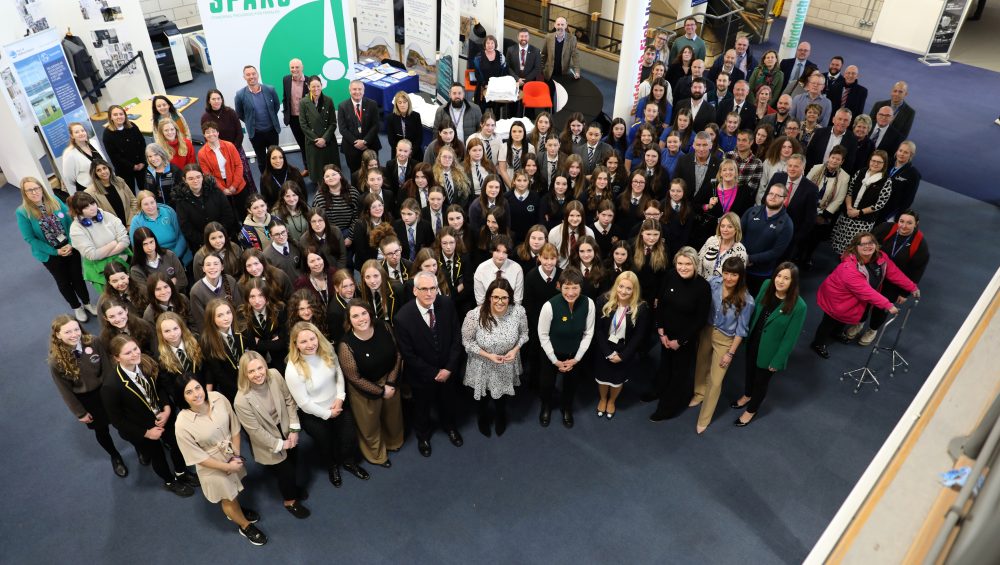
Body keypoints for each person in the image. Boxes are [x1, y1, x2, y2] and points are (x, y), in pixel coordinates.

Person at [173, 372, 268, 545]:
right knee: (228, 497)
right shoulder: (181, 424)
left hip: (232, 454)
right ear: (182, 397)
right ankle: (245, 526)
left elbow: (234, 427)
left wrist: (236, 455)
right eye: (189, 392)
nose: (196, 394)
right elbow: (196, 457)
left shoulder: (217, 397)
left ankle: (237, 510)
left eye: (197, 387)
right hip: (211, 464)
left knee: (234, 490)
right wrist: (227, 467)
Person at [102, 334, 197, 497]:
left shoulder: (146, 363)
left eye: (135, 349)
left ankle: (182, 472)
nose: (135, 354)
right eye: (127, 353)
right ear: (117, 358)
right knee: (157, 455)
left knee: (176, 444)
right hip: (140, 428)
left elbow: (159, 387)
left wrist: (166, 408)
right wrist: (147, 433)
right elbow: (117, 421)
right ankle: (169, 481)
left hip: (162, 416)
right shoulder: (111, 386)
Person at [284, 322, 370, 486]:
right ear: (295, 344)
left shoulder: (327, 349)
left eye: (312, 338)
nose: (310, 344)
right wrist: (328, 414)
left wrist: (340, 397)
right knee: (326, 443)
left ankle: (349, 462)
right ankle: (332, 466)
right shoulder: (292, 369)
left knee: (349, 436)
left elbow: (338, 372)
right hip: (314, 414)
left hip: (337, 404)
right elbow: (304, 403)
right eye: (303, 342)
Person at [811, 232, 918, 358]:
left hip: (854, 300)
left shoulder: (881, 257)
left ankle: (836, 333)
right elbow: (866, 291)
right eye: (863, 244)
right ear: (855, 247)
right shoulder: (849, 268)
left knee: (844, 319)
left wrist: (911, 286)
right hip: (838, 299)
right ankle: (818, 343)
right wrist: (888, 305)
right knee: (829, 322)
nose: (867, 246)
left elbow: (894, 273)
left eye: (870, 243)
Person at [48, 315, 128, 477]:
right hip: (87, 399)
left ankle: (140, 447)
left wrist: (114, 392)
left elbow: (107, 368)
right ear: (57, 335)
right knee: (101, 431)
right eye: (67, 332)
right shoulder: (55, 361)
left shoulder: (93, 341)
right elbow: (65, 391)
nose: (74, 334)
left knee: (123, 422)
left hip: (106, 390)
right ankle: (115, 456)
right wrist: (80, 412)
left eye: (76, 329)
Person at [394, 274, 465, 457]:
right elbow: (408, 355)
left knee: (448, 402)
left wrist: (448, 368)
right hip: (421, 376)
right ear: (415, 291)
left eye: (432, 288)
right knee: (422, 408)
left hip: (448, 371)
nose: (429, 293)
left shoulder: (447, 305)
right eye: (424, 289)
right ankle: (423, 437)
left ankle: (450, 428)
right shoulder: (403, 317)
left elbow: (457, 338)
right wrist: (434, 373)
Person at [233, 350, 310, 519]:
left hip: (286, 428)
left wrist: (294, 429)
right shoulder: (241, 400)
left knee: (293, 461)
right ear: (244, 374)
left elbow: (289, 400)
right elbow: (255, 432)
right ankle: (289, 501)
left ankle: (291, 487)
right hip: (267, 439)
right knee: (286, 471)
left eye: (260, 368)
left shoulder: (274, 375)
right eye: (251, 371)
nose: (258, 374)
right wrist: (281, 444)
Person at [730, 262, 807, 426]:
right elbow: (754, 311)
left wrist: (778, 360)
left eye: (786, 278)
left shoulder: (799, 306)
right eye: (778, 276)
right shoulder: (766, 285)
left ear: (793, 282)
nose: (780, 281)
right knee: (749, 372)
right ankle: (747, 395)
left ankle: (751, 410)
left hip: (771, 351)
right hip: (753, 341)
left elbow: (790, 338)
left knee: (761, 382)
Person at [17, 178, 97, 322]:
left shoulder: (54, 200)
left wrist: (71, 243)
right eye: (30, 190)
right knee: (63, 282)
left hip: (69, 246)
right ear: (24, 193)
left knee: (77, 277)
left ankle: (87, 303)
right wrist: (56, 252)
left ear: (42, 188)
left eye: (37, 188)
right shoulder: (23, 212)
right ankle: (77, 307)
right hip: (50, 254)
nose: (34, 192)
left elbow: (70, 220)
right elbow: (30, 239)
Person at [690, 257, 753, 433]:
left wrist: (730, 353)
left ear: (741, 276)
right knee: (701, 364)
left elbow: (741, 331)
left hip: (726, 339)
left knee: (716, 380)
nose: (729, 278)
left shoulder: (747, 300)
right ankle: (699, 393)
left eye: (734, 274)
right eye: (726, 273)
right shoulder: (713, 282)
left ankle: (704, 418)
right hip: (707, 330)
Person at [337, 298, 403, 465]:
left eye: (364, 313)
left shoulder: (384, 326)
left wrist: (391, 383)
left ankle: (393, 442)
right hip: (364, 390)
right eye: (355, 316)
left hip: (389, 381)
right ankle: (377, 456)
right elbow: (354, 378)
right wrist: (381, 391)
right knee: (370, 426)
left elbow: (397, 354)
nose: (361, 319)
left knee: (392, 418)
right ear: (349, 320)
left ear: (370, 313)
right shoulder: (346, 345)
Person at [647, 247, 711, 419]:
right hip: (665, 335)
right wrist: (661, 331)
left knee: (679, 373)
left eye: (688, 264)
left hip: (684, 340)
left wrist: (680, 341)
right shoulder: (670, 276)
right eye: (680, 263)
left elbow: (700, 320)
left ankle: (668, 408)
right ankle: (658, 391)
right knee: (664, 365)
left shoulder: (703, 287)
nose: (683, 267)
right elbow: (659, 303)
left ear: (695, 264)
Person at [462, 277, 528, 437]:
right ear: (489, 297)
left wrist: (515, 350)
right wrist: (488, 355)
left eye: (504, 297)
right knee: (482, 398)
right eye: (496, 297)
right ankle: (482, 418)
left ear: (509, 298)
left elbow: (524, 334)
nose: (500, 301)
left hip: (506, 363)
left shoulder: (518, 312)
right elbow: (467, 342)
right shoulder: (474, 315)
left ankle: (500, 417)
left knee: (502, 396)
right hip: (482, 364)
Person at [537, 268, 595, 428]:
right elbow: (543, 335)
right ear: (559, 286)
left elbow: (588, 333)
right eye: (566, 287)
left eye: (575, 287)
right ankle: (546, 406)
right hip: (551, 354)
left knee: (571, 385)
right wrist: (555, 361)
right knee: (546, 384)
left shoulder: (589, 304)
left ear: (581, 288)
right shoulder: (549, 306)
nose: (571, 292)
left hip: (574, 355)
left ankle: (566, 408)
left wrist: (576, 359)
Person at [862, 211, 929, 345]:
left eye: (909, 223)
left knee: (881, 307)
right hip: (873, 273)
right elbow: (866, 242)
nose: (904, 226)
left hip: (895, 282)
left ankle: (872, 329)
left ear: (916, 224)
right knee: (864, 300)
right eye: (901, 221)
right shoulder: (886, 228)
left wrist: (905, 292)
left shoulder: (919, 243)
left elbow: (917, 270)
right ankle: (859, 322)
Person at [592, 271, 650, 419]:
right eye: (621, 286)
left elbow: (638, 336)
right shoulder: (602, 300)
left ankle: (612, 401)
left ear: (634, 290)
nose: (623, 291)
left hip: (625, 350)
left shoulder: (641, 308)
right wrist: (607, 353)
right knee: (603, 378)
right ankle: (603, 399)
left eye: (628, 288)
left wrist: (623, 356)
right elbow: (597, 330)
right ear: (616, 286)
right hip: (604, 348)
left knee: (617, 381)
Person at [830, 150, 893, 254]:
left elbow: (879, 204)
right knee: (839, 244)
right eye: (873, 160)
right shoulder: (861, 172)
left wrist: (859, 212)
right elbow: (849, 191)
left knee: (853, 249)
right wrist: (849, 208)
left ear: (884, 164)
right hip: (848, 215)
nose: (875, 164)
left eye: (879, 162)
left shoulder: (886, 181)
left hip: (863, 221)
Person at [67, 192, 130, 295]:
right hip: (99, 270)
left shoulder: (106, 215)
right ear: (78, 211)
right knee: (113, 300)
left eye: (93, 203)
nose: (92, 208)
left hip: (121, 261)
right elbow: (92, 255)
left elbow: (125, 240)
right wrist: (113, 243)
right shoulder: (76, 229)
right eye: (86, 207)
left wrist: (102, 253)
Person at [801, 147, 851, 267]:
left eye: (838, 159)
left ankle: (808, 257)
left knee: (815, 237)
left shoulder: (844, 177)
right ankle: (798, 254)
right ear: (829, 157)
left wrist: (824, 214)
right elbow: (804, 185)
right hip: (807, 207)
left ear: (842, 162)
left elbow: (839, 199)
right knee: (803, 233)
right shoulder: (817, 168)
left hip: (824, 211)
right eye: (833, 157)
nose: (834, 161)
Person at [741, 184, 794, 296]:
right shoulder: (752, 212)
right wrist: (742, 254)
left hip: (761, 274)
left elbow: (776, 252)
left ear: (784, 199)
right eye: (770, 193)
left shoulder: (787, 224)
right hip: (740, 267)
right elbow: (738, 234)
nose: (772, 197)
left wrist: (750, 258)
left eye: (777, 195)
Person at [202, 89, 257, 192]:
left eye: (219, 98)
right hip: (217, 151)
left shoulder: (230, 112)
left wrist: (232, 149)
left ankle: (252, 195)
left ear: (222, 99)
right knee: (224, 175)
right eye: (213, 99)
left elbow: (239, 133)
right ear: (209, 101)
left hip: (235, 148)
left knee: (244, 173)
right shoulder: (205, 117)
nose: (216, 101)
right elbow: (207, 137)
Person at [174, 166, 239, 252]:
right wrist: (206, 240)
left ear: (203, 176)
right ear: (185, 180)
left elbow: (228, 215)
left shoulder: (216, 191)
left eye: (198, 177)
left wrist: (219, 236)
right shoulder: (181, 200)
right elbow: (186, 227)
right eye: (190, 178)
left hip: (224, 238)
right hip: (201, 245)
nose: (195, 181)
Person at [234, 65, 281, 174]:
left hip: (272, 131)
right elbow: (240, 113)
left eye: (253, 74)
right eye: (248, 74)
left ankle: (278, 178)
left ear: (257, 74)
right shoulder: (240, 95)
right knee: (262, 161)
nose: (251, 77)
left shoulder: (270, 89)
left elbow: (276, 106)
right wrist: (251, 122)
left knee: (275, 157)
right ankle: (266, 181)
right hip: (256, 134)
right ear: (244, 77)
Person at [198, 122, 249, 217]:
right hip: (219, 187)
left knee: (245, 212)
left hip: (237, 183)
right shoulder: (201, 153)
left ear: (218, 133)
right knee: (228, 215)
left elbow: (239, 166)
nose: (211, 134)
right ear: (204, 135)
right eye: (207, 132)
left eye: (213, 131)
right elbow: (208, 175)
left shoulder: (229, 146)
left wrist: (234, 185)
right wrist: (222, 189)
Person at [129, 190, 191, 267]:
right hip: (155, 261)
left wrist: (174, 256)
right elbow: (137, 246)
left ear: (156, 201)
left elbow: (181, 235)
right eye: (146, 204)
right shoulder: (137, 221)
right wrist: (159, 260)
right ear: (140, 206)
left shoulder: (168, 211)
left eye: (152, 202)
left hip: (179, 255)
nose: (150, 207)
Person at [299, 76, 341, 186]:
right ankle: (321, 188)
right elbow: (303, 125)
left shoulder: (329, 100)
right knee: (318, 170)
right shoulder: (303, 102)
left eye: (318, 86)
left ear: (321, 86)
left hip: (328, 140)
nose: (316, 89)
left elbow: (333, 123)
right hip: (313, 142)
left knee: (332, 169)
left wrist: (324, 139)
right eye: (313, 86)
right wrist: (316, 139)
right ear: (308, 87)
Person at [190, 252, 243, 333]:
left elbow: (239, 308)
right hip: (213, 333)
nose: (212, 267)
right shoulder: (196, 291)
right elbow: (201, 321)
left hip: (234, 328)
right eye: (208, 265)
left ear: (222, 267)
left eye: (216, 264)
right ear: (203, 268)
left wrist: (240, 330)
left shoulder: (229, 280)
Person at [102, 105, 147, 192]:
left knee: (146, 189)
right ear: (110, 117)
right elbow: (114, 156)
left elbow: (142, 144)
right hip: (124, 170)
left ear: (125, 115)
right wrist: (132, 166)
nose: (119, 116)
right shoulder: (107, 134)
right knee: (130, 193)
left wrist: (142, 161)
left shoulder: (132, 126)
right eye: (115, 115)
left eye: (121, 114)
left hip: (141, 165)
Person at [130, 227, 188, 293]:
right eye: (145, 244)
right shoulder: (136, 269)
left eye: (151, 242)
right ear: (139, 246)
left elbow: (183, 281)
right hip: (155, 303)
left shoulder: (169, 255)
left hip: (177, 298)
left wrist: (156, 289)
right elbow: (146, 294)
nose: (150, 247)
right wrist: (170, 283)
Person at [473, 235, 524, 305]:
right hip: (487, 311)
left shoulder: (517, 269)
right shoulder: (481, 269)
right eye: (498, 251)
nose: (501, 256)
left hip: (511, 311)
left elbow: (517, 301)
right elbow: (480, 302)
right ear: (492, 251)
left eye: (505, 252)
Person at [541, 17, 581, 106]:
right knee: (548, 96)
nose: (560, 27)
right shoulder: (548, 37)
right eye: (558, 24)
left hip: (563, 73)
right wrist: (542, 69)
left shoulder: (572, 39)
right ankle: (548, 113)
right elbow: (544, 54)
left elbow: (575, 56)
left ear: (566, 26)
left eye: (562, 24)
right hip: (549, 73)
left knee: (562, 98)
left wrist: (577, 71)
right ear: (555, 25)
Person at [805, 108, 858, 173]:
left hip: (835, 177)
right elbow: (809, 154)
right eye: (840, 119)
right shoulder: (819, 132)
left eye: (845, 120)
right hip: (814, 171)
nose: (842, 122)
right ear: (833, 120)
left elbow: (849, 163)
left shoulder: (852, 140)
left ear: (849, 123)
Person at [62, 122, 109, 194]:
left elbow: (104, 162)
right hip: (88, 189)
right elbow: (69, 178)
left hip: (103, 183)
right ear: (72, 136)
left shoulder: (93, 143)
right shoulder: (69, 154)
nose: (81, 133)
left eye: (82, 130)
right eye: (77, 132)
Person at [881, 141, 921, 223]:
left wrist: (898, 217)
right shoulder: (886, 163)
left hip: (889, 211)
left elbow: (908, 199)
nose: (902, 154)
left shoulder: (914, 174)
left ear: (911, 155)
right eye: (900, 150)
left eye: (906, 152)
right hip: (874, 204)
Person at [471, 34, 508, 112]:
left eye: (492, 43)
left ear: (495, 44)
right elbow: (477, 74)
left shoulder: (501, 56)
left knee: (496, 111)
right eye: (488, 43)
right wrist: (485, 85)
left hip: (497, 89)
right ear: (484, 45)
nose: (490, 45)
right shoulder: (478, 57)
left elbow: (504, 72)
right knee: (481, 111)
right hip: (482, 88)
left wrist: (496, 85)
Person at [281, 58, 309, 157]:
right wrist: (286, 114)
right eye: (292, 67)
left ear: (302, 68)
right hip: (293, 119)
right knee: (301, 144)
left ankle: (314, 167)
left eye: (297, 67)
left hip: (307, 120)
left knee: (310, 144)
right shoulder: (286, 80)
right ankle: (306, 167)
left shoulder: (309, 81)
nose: (294, 69)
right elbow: (285, 98)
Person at [387, 93, 424, 162]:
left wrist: (410, 152)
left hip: (414, 153)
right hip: (398, 153)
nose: (402, 105)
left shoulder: (416, 116)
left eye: (404, 102)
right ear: (396, 104)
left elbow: (419, 138)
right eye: (400, 102)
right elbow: (391, 140)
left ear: (408, 103)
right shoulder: (390, 118)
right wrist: (401, 152)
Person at [507, 27, 542, 93]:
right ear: (518, 37)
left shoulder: (536, 51)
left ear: (529, 37)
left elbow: (537, 68)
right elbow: (507, 67)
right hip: (514, 81)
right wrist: (517, 79)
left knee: (527, 102)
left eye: (526, 36)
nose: (524, 38)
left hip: (530, 82)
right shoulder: (510, 50)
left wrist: (524, 81)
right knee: (515, 101)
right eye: (521, 36)